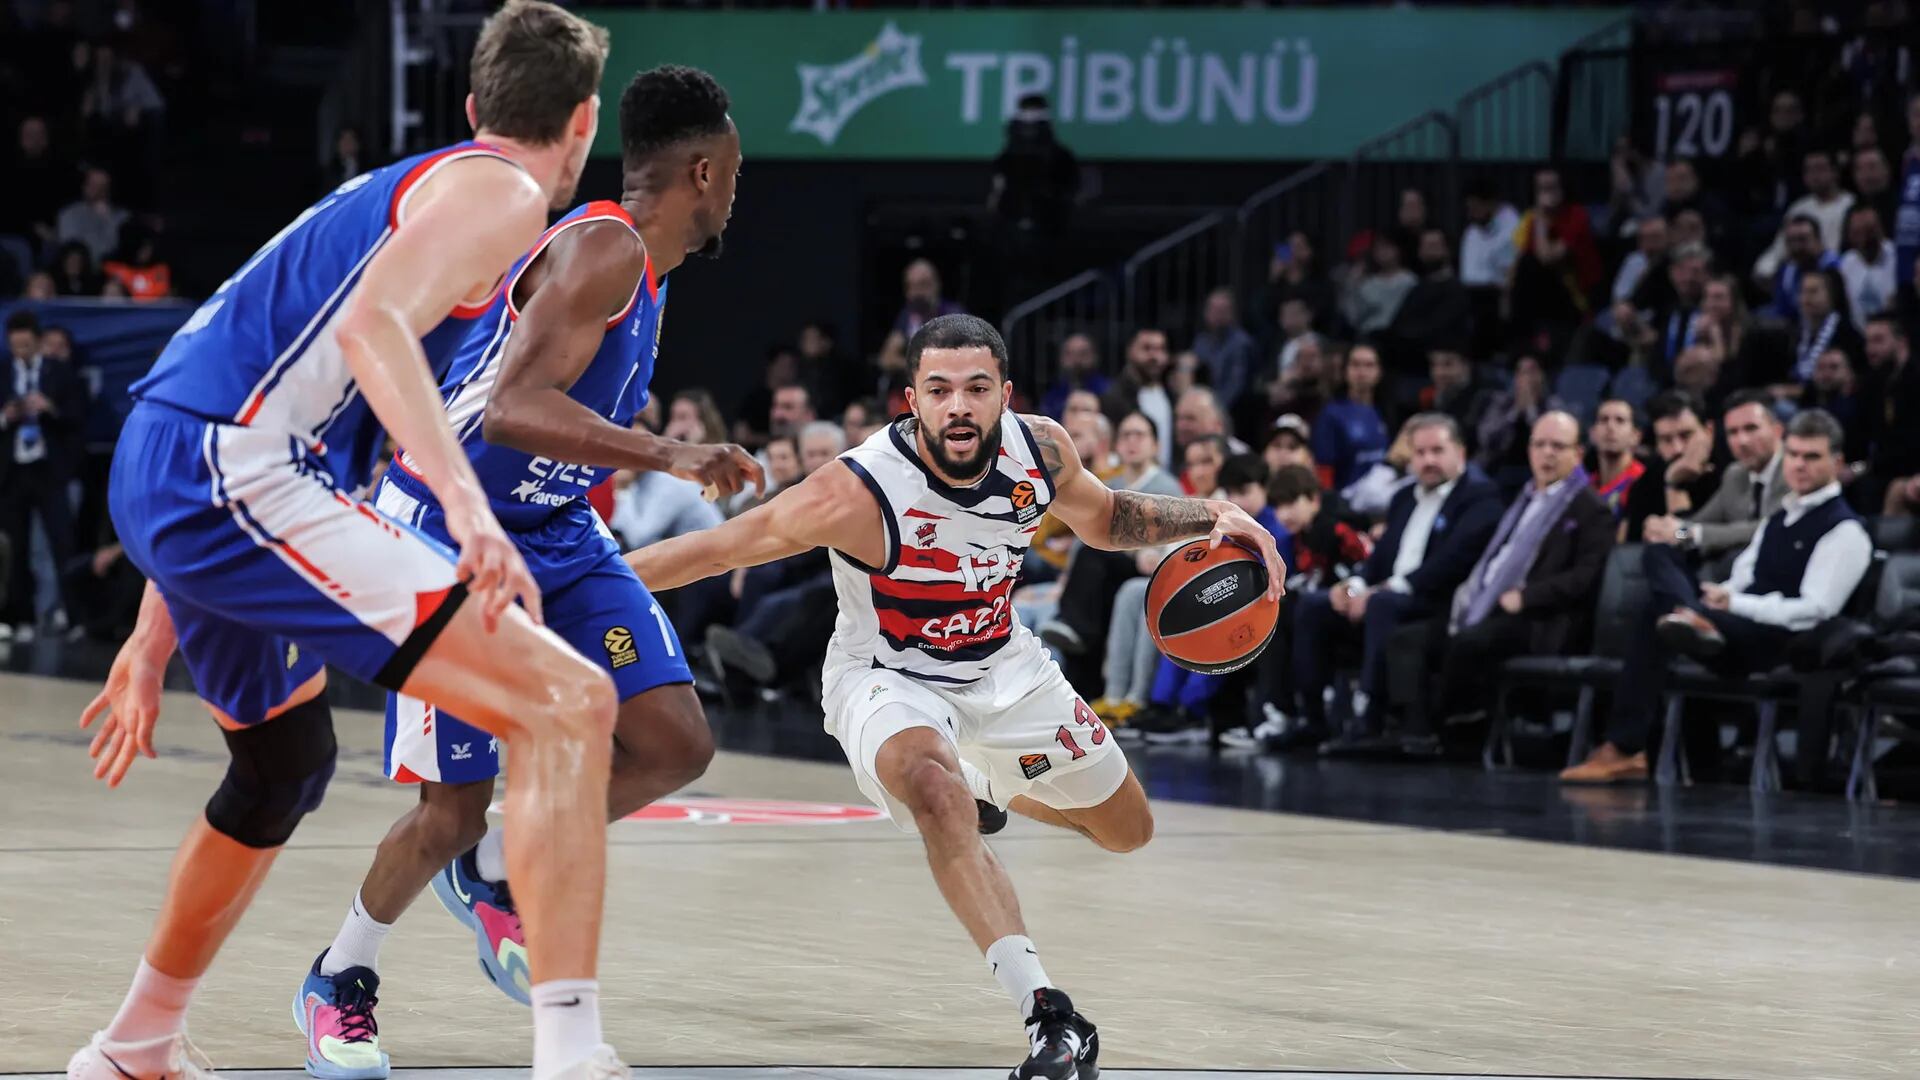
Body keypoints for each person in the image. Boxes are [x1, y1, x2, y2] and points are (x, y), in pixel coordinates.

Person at [67, 7, 636, 1080]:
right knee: (572, 702)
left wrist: (152, 638)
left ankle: (134, 1045)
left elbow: (228, 397)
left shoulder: (402, 196)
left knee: (284, 766)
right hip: (233, 472)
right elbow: (367, 334)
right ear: (583, 120)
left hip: (180, 471)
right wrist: (469, 514)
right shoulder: (503, 190)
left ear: (472, 104)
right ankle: (570, 1053)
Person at [626, 314, 1285, 1080]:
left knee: (1127, 831)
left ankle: (983, 786)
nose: (959, 407)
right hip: (888, 677)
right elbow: (715, 549)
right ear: (911, 401)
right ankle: (1049, 1016)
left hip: (1007, 665)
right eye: (939, 391)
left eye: (976, 389)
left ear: (1005, 395)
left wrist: (1214, 514)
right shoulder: (858, 490)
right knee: (935, 788)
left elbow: (1106, 520)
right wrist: (572, 591)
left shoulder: (1040, 450)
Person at [305, 67, 759, 1078]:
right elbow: (511, 409)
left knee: (674, 742)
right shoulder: (606, 246)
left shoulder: (650, 274)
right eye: (734, 173)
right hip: (448, 532)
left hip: (552, 529)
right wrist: (670, 454)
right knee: (446, 811)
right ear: (702, 171)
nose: (737, 191)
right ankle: (341, 978)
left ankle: (499, 866)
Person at [1563, 409, 1870, 784]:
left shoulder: (1846, 530)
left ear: (1836, 462)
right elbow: (1742, 577)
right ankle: (1686, 625)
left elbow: (1816, 610)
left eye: (1812, 457)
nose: (1799, 465)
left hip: (1783, 642)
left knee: (1656, 617)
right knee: (1661, 554)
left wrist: (1733, 604)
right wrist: (1719, 595)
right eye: (1792, 455)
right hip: (1736, 627)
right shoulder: (1778, 520)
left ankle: (1625, 748)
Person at [1388, 411, 1614, 756]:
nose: (1547, 453)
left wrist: (1527, 596)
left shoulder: (1589, 508)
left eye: (1558, 445)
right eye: (1539, 444)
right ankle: (1413, 732)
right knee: (1411, 638)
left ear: (1578, 454)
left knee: (1470, 644)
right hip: (1488, 606)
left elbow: (1586, 577)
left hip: (1541, 619)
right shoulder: (1521, 499)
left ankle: (1454, 728)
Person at [1292, 415, 1502, 752]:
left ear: (1460, 453)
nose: (1428, 460)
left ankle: (1371, 722)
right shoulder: (1404, 497)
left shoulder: (1481, 499)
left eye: (1437, 450)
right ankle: (1311, 719)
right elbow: (1378, 559)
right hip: (1383, 595)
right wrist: (1353, 587)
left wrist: (1379, 591)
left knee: (1382, 605)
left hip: (1435, 603)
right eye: (1420, 452)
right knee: (1314, 604)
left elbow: (1451, 564)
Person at [2, 309, 87, 642]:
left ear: (37, 342)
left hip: (49, 471)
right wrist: (7, 415)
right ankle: (17, 617)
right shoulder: (2, 372)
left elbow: (79, 418)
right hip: (13, 472)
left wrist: (50, 408)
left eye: (25, 345)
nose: (19, 352)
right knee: (15, 547)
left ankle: (75, 615)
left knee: (63, 543)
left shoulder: (61, 373)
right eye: (14, 346)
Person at [1642, 389, 1786, 582]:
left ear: (1777, 431)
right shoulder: (1736, 474)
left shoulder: (1795, 470)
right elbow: (1697, 524)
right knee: (1659, 551)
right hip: (1734, 575)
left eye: (1751, 429)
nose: (1742, 441)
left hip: (1779, 570)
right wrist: (1672, 531)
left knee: (1731, 560)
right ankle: (1683, 610)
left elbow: (1769, 528)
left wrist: (1691, 534)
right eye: (1732, 432)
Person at [1623, 389, 1724, 544]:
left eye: (1686, 435)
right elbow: (1633, 545)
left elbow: (1713, 533)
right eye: (1666, 440)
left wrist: (1675, 485)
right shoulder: (1646, 483)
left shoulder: (1733, 469)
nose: (1677, 448)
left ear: (1709, 431)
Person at [1311, 342, 1390, 491]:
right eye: (1355, 364)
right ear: (1345, 371)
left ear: (1379, 372)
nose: (1362, 372)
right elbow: (1323, 467)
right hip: (1345, 503)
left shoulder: (1386, 411)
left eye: (1369, 365)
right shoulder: (1332, 414)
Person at [1100, 326, 1173, 465]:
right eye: (1147, 348)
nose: (1154, 356)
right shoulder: (1113, 398)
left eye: (1160, 349)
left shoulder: (1172, 395)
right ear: (1130, 351)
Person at [1587, 398, 1647, 529]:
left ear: (1635, 436)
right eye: (1603, 420)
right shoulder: (1583, 487)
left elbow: (1679, 533)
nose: (1610, 427)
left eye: (1620, 420)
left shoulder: (1645, 483)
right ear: (1592, 434)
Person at [1838, 205, 1897, 331]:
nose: (1865, 239)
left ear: (1881, 229)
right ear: (1849, 235)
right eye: (1858, 233)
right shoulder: (1845, 264)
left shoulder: (1898, 257)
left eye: (1870, 231)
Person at [1040, 332, 1107, 420]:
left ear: (1095, 356)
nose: (1076, 360)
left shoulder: (1107, 391)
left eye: (1082, 354)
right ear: (1061, 358)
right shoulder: (1053, 395)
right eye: (1070, 354)